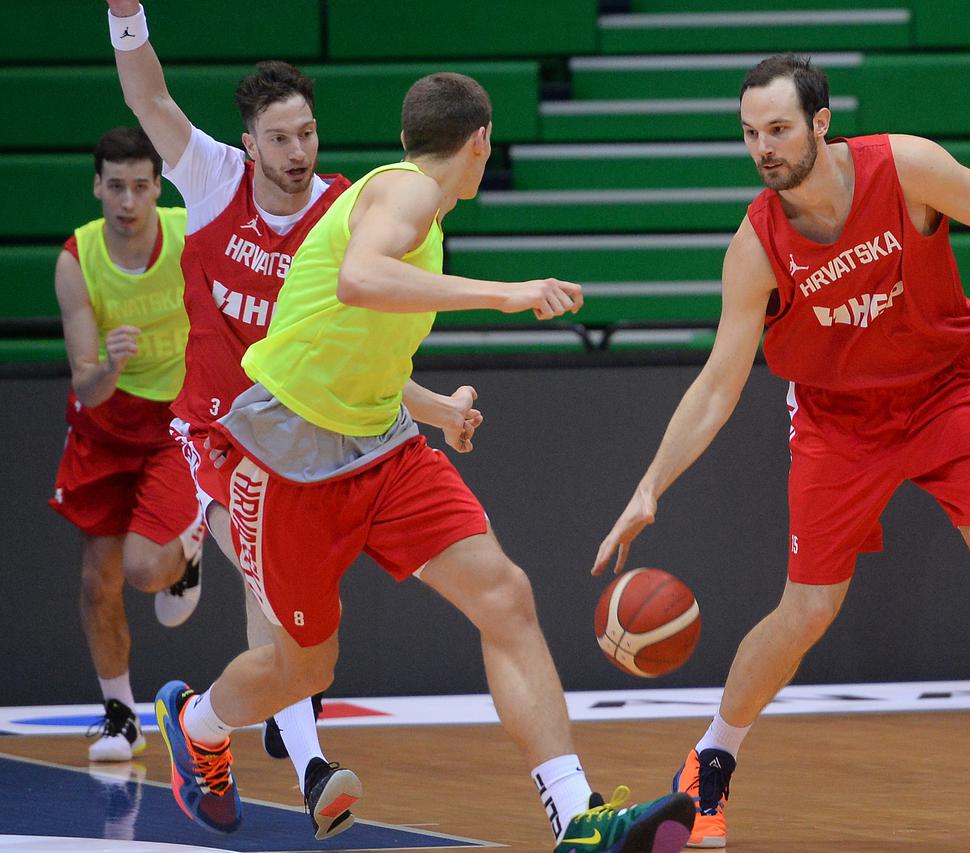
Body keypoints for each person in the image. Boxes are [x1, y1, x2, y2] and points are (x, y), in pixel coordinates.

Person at [151, 71, 697, 851]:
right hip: (288, 459)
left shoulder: (415, 213)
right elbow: (360, 278)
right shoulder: (403, 193)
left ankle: (575, 817)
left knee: (504, 595)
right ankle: (195, 721)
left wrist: (434, 409)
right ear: (480, 142)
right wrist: (505, 295)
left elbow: (351, 341)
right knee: (303, 669)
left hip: (383, 446)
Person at [593, 54, 970, 846]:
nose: (763, 147)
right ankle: (710, 760)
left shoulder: (903, 167)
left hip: (948, 388)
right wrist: (650, 483)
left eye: (777, 129)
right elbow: (717, 384)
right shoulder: (756, 245)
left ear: (820, 123)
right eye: (748, 134)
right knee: (806, 609)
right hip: (840, 421)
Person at [106, 0, 356, 837]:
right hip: (217, 428)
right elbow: (149, 103)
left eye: (308, 135)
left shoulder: (342, 211)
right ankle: (313, 765)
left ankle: (261, 710)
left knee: (300, 609)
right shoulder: (213, 178)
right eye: (280, 139)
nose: (297, 153)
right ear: (250, 144)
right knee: (265, 576)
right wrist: (127, 16)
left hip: (303, 430)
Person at [50, 126, 204, 763]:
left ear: (157, 187)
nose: (128, 200)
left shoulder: (189, 235)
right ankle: (121, 716)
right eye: (116, 186)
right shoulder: (76, 259)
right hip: (105, 425)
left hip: (175, 422)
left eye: (140, 185)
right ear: (97, 186)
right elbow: (86, 387)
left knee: (144, 570)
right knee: (97, 582)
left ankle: (188, 552)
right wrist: (109, 366)